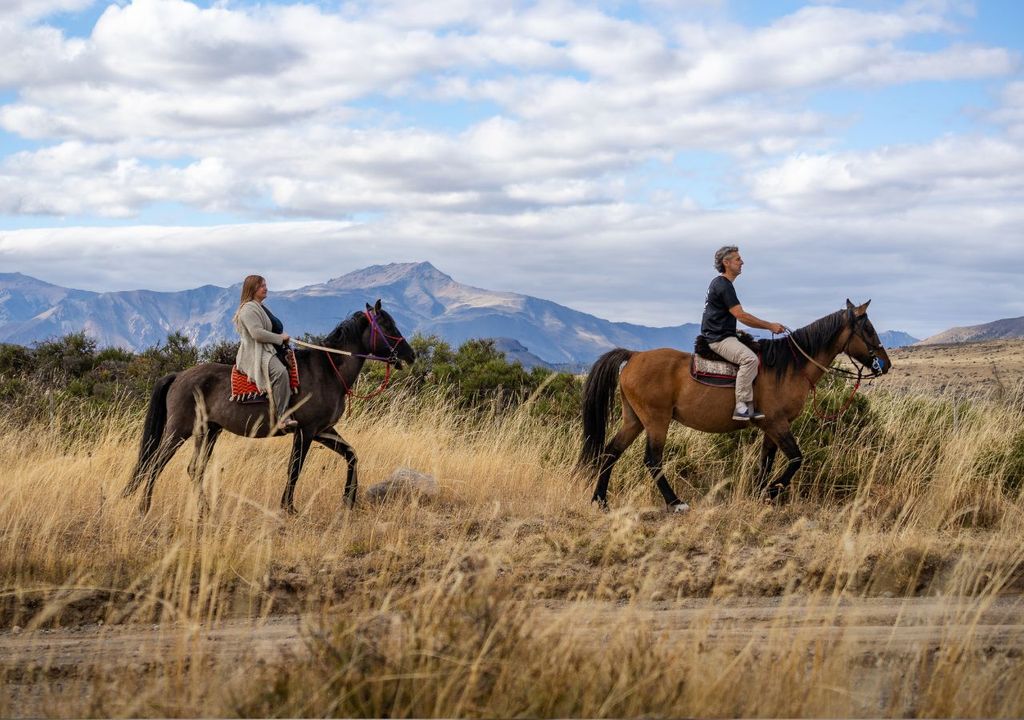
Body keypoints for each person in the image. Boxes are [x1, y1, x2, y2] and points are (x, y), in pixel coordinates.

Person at [701, 246, 786, 422]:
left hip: (723, 334)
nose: (742, 262)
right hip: (719, 339)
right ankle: (741, 407)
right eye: (738, 259)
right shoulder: (723, 285)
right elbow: (741, 315)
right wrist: (770, 326)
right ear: (726, 262)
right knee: (750, 359)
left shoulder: (721, 284)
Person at [233, 275, 297, 432]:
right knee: (280, 373)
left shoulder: (260, 306)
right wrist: (280, 339)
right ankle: (282, 418)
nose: (266, 288)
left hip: (267, 349)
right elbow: (257, 333)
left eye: (265, 285)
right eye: (262, 285)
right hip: (256, 354)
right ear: (253, 288)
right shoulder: (248, 309)